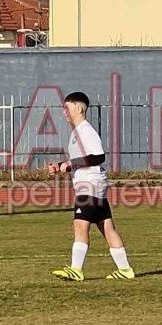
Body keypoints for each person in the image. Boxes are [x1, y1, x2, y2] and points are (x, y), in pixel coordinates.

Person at [49, 90, 135, 281]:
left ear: (79, 109)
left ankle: (76, 269)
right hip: (93, 183)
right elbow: (84, 159)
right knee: (107, 227)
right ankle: (125, 270)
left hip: (90, 184)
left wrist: (70, 164)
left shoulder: (85, 130)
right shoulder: (77, 132)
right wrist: (62, 166)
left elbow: (98, 156)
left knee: (80, 225)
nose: (64, 112)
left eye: (67, 108)